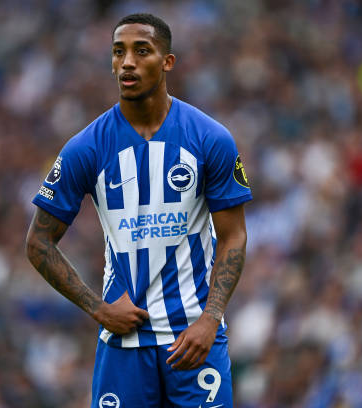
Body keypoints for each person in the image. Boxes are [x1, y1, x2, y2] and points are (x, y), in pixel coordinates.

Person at [26, 13, 252, 408]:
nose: (127, 61)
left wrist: (211, 318)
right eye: (118, 52)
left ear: (168, 62)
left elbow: (233, 235)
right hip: (124, 344)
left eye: (141, 51)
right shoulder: (86, 148)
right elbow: (38, 241)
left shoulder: (210, 138)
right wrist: (96, 307)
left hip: (194, 339)